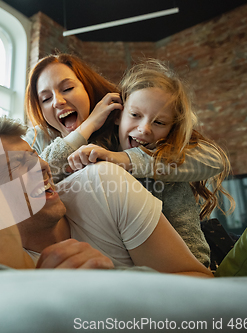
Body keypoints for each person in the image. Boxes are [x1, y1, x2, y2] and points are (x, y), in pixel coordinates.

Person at [0, 115, 213, 278]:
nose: (44, 166)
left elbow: (199, 280)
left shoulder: (103, 183)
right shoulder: (2, 255)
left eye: (34, 157)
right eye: (19, 166)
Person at [24, 54, 232, 267]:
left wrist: (124, 159)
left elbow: (212, 159)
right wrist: (88, 125)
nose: (58, 101)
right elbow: (34, 178)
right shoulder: (39, 140)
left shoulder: (130, 136)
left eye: (67, 89)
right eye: (45, 98)